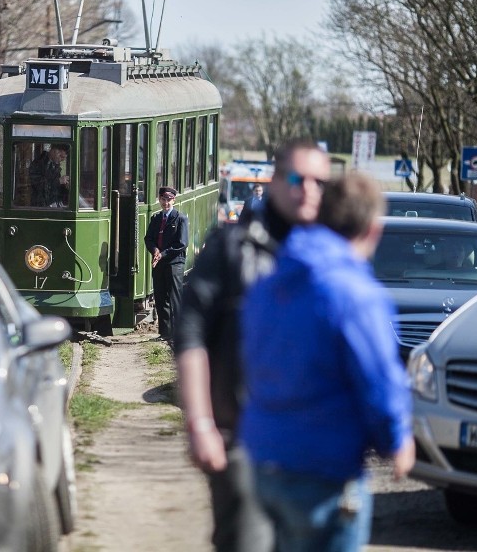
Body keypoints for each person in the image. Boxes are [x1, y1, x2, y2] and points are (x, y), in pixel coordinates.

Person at [239, 173, 415, 552]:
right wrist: (397, 439)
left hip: (262, 459)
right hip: (322, 470)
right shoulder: (357, 295)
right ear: (373, 230)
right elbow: (379, 381)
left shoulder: (273, 281)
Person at [173, 139, 330, 552]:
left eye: (321, 182)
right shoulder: (231, 248)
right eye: (298, 178)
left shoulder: (333, 258)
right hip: (244, 440)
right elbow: (190, 336)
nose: (309, 189)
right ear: (276, 181)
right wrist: (200, 423)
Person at [144, 186, 188, 344]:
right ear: (159, 200)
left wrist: (162, 254)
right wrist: (154, 249)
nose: (166, 203)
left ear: (174, 200)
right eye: (163, 199)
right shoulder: (156, 219)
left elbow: (181, 244)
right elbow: (148, 238)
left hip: (174, 263)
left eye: (169, 200)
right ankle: (164, 332)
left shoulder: (180, 218)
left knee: (175, 297)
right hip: (159, 263)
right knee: (160, 297)